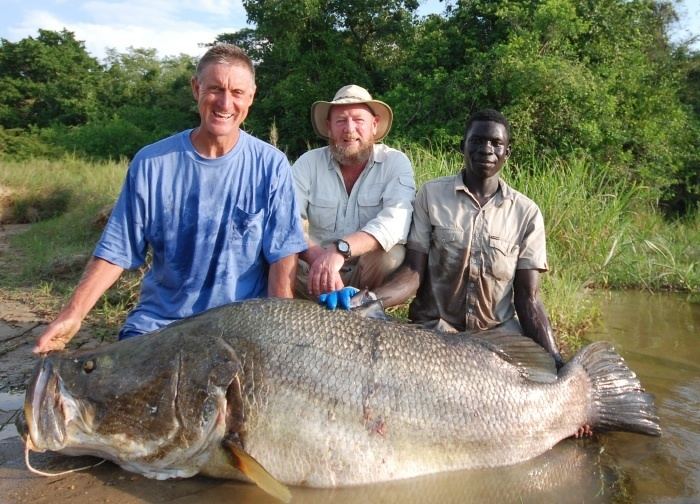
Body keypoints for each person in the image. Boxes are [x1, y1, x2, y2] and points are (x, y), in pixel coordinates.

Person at [33, 44, 307, 354]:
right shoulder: (151, 163)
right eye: (215, 88)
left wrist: (278, 336)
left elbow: (282, 257)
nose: (225, 102)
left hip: (238, 327)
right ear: (195, 88)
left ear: (251, 97)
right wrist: (73, 314)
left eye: (237, 92)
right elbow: (116, 251)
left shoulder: (271, 165)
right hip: (160, 324)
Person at [353, 109, 565, 367]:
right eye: (477, 141)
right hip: (435, 331)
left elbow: (528, 298)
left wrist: (556, 360)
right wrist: (369, 301)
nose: (486, 149)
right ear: (462, 146)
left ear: (506, 153)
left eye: (496, 144)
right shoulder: (431, 196)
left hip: (498, 337)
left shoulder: (526, 212)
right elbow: (412, 273)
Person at [292, 84, 416, 304]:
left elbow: (396, 222)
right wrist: (320, 259)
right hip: (313, 273)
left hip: (364, 274)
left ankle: (365, 308)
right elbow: (288, 220)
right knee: (279, 255)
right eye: (340, 121)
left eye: (358, 120)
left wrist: (339, 251)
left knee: (392, 256)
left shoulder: (395, 162)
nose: (349, 129)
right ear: (329, 127)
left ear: (374, 125)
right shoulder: (307, 163)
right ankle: (291, 311)